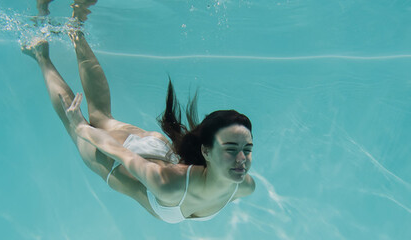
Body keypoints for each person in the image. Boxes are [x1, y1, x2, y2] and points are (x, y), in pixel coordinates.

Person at [22, 0, 255, 223]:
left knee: (102, 116)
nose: (242, 159)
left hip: (161, 151)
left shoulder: (245, 185)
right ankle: (42, 55)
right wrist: (81, 127)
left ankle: (76, 29)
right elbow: (121, 154)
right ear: (206, 151)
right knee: (74, 119)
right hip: (119, 161)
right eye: (231, 149)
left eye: (247, 149)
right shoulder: (167, 185)